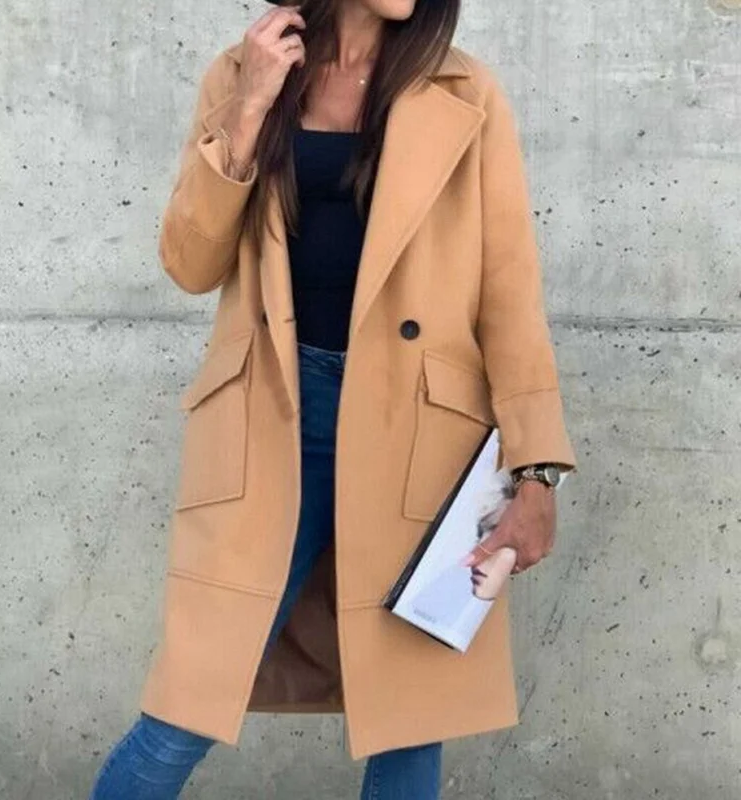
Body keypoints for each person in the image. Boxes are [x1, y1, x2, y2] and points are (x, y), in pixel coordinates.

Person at [89, 0, 577, 795]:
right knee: (190, 697)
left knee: (410, 712)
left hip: (419, 429)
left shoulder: (465, 91)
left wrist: (538, 469)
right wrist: (250, 108)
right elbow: (189, 263)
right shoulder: (243, 72)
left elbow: (510, 295)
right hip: (276, 413)